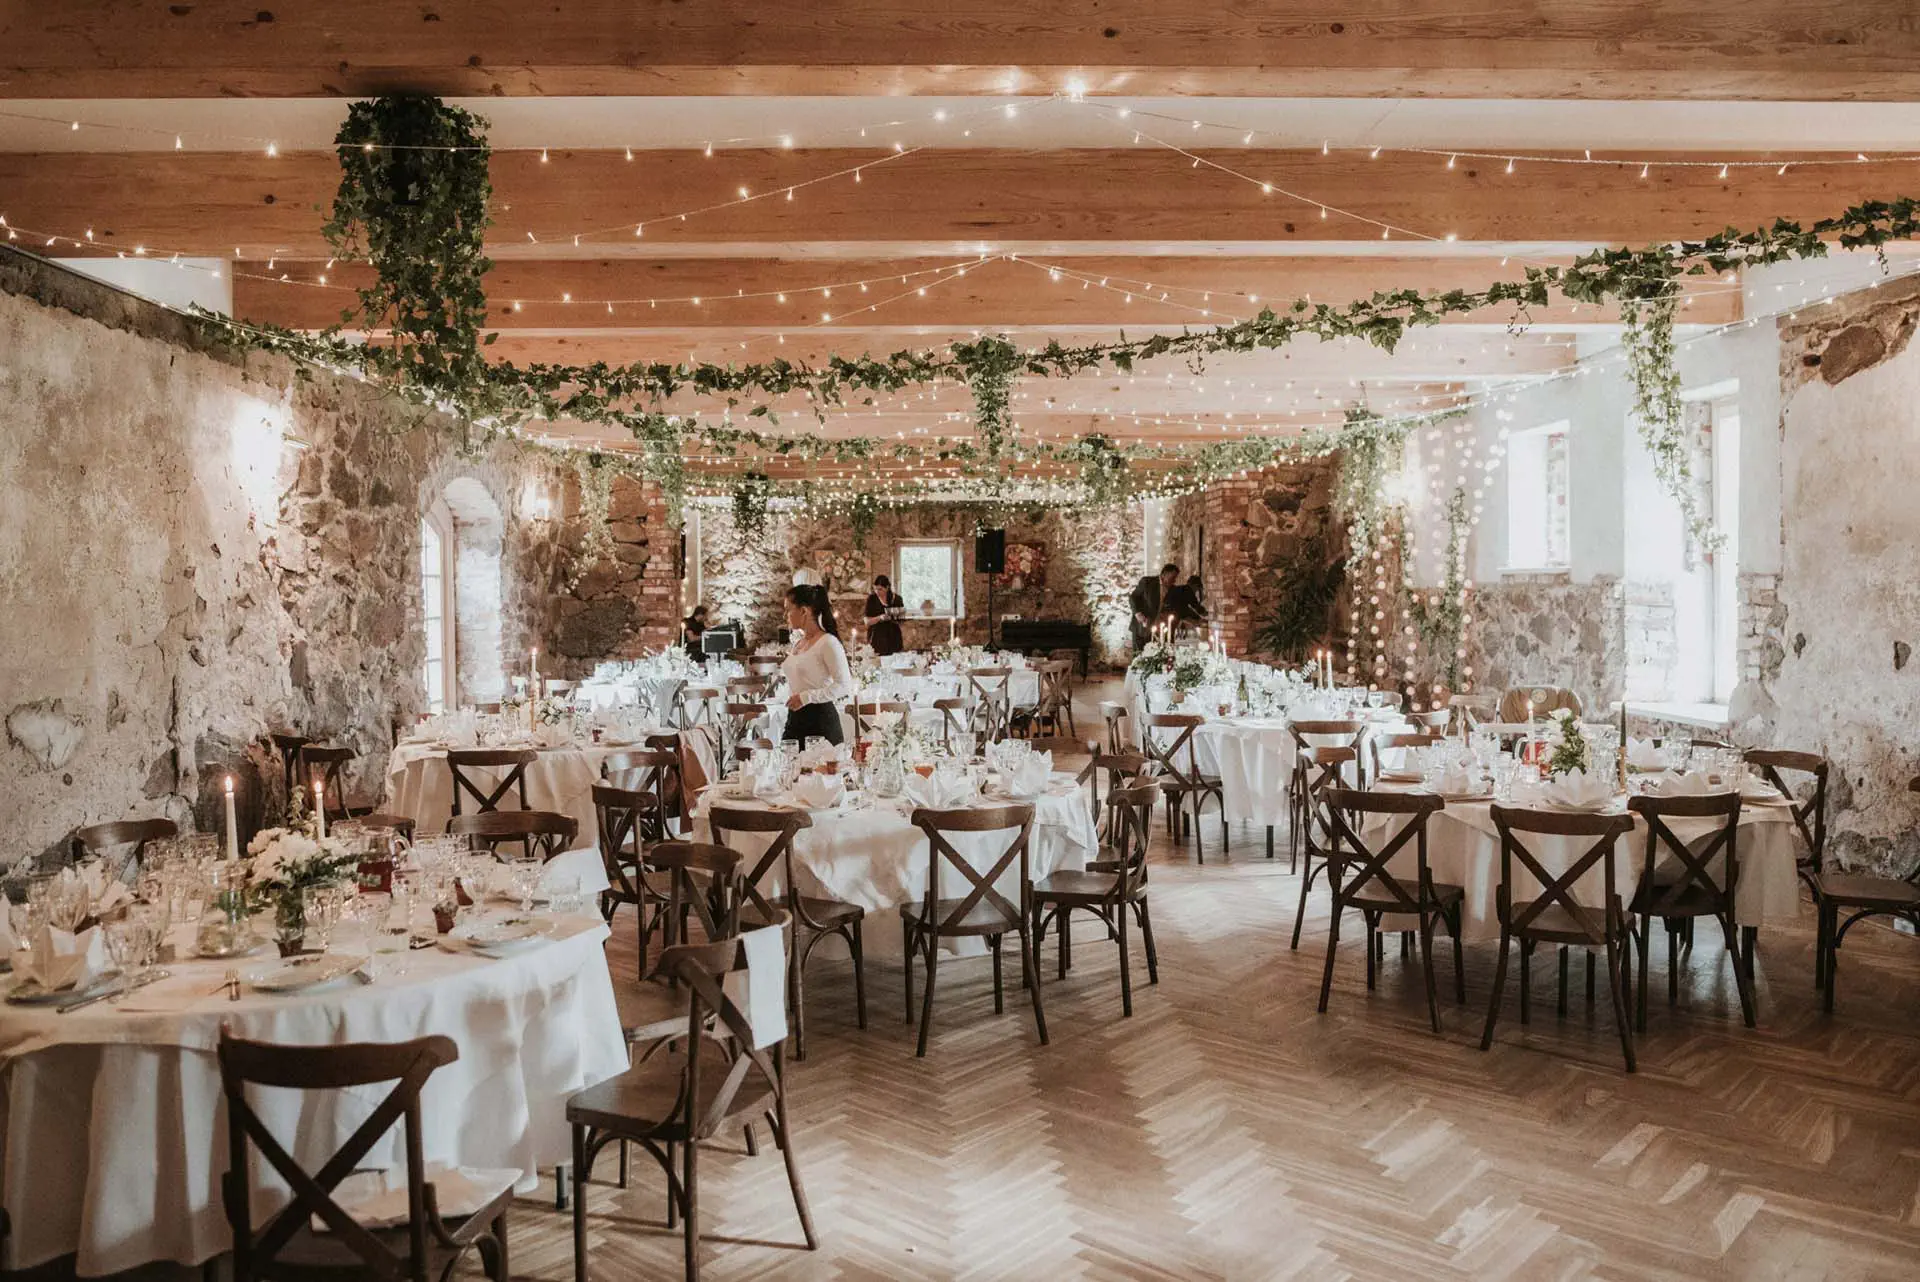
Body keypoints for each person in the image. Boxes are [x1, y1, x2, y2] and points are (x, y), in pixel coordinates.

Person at [779, 583, 851, 745]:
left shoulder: (828, 642)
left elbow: (844, 685)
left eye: (788, 610)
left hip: (821, 722)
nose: (785, 615)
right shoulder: (799, 643)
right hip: (794, 720)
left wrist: (806, 697)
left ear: (803, 611)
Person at [1129, 562, 1180, 648]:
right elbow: (1133, 597)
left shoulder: (1173, 589)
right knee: (1139, 655)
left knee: (1156, 655)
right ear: (1164, 574)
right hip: (1142, 627)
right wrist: (1138, 613)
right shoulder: (1147, 582)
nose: (1174, 580)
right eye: (1173, 577)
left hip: (1158, 630)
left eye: (1175, 578)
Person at [863, 574, 906, 656]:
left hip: (894, 637)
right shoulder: (872, 599)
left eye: (880, 589)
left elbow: (901, 621)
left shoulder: (897, 599)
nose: (877, 592)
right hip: (876, 637)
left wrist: (894, 615)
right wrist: (880, 618)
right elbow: (866, 622)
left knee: (895, 660)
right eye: (875, 589)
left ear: (887, 587)